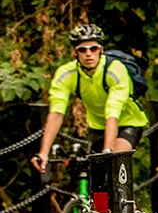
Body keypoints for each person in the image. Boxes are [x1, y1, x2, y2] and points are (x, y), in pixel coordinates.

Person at [30, 23, 149, 173]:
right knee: (97, 179)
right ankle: (99, 197)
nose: (88, 54)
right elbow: (56, 114)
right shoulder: (67, 74)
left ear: (101, 50)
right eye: (82, 49)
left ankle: (122, 195)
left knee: (116, 165)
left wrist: (108, 150)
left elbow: (113, 112)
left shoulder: (115, 69)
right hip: (97, 126)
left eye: (93, 48)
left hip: (128, 122)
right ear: (75, 53)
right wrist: (43, 153)